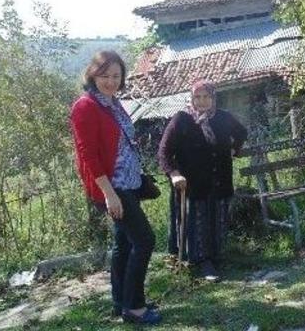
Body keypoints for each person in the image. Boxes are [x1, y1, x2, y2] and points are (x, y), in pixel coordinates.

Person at [70, 51, 161, 325]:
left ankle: (121, 301)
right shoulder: (85, 106)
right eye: (105, 75)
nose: (110, 81)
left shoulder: (112, 102)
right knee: (145, 240)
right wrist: (109, 194)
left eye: (116, 76)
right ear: (93, 74)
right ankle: (134, 307)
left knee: (124, 243)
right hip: (112, 187)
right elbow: (88, 155)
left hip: (128, 182)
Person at [158, 79, 247, 282]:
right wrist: (173, 173)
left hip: (220, 180)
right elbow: (163, 152)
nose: (202, 101)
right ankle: (201, 262)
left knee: (217, 220)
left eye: (206, 96)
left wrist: (235, 149)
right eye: (197, 97)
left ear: (213, 98)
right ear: (191, 98)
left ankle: (216, 257)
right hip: (192, 184)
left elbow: (242, 133)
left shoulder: (223, 118)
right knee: (197, 223)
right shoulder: (182, 119)